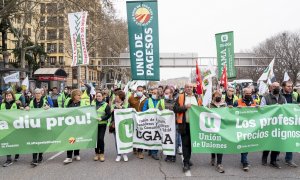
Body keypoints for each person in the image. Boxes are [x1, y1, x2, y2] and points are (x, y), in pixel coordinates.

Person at [173, 83, 202, 172]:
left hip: (195, 125)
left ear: (193, 88)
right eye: (187, 87)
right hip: (184, 124)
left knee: (191, 144)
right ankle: (185, 163)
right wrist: (185, 107)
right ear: (184, 88)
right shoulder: (180, 97)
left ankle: (187, 159)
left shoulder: (198, 97)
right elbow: (175, 109)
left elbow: (202, 109)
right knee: (185, 144)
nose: (189, 88)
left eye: (190, 87)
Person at [261, 82, 286, 169]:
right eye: (274, 86)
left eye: (277, 86)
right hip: (269, 123)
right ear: (270, 88)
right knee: (268, 141)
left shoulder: (283, 98)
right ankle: (264, 158)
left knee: (277, 143)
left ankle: (273, 161)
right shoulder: (265, 98)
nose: (276, 88)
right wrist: (273, 108)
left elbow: (286, 109)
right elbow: (262, 109)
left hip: (279, 124)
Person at [63, 89, 90, 164]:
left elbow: (87, 111)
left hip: (78, 124)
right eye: (78, 95)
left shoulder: (82, 103)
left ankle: (76, 154)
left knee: (77, 139)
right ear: (74, 96)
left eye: (80, 95)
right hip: (70, 125)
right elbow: (63, 111)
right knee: (70, 139)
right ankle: (69, 156)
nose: (80, 96)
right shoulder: (68, 102)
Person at [233, 87, 257, 171]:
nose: (249, 95)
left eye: (250, 93)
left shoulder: (254, 102)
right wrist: (236, 109)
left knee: (246, 144)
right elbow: (231, 113)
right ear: (243, 93)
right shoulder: (237, 102)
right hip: (241, 127)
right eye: (247, 94)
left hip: (250, 127)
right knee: (244, 144)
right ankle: (245, 162)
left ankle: (243, 160)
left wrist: (258, 108)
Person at [1, 90, 25, 167]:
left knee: (16, 141)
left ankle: (17, 152)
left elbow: (24, 110)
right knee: (7, 142)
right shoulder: (2, 105)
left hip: (15, 127)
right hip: (6, 127)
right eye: (7, 96)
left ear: (12, 96)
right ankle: (9, 159)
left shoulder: (17, 103)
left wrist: (22, 106)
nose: (8, 97)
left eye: (9, 96)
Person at [29, 88, 50, 166]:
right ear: (34, 94)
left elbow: (50, 109)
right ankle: (34, 158)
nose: (37, 95)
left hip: (42, 124)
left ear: (41, 94)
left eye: (39, 93)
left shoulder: (45, 101)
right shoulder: (31, 102)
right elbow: (28, 109)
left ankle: (40, 156)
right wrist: (26, 108)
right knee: (34, 141)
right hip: (33, 124)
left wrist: (48, 108)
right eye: (36, 93)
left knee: (40, 141)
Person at [142, 88, 165, 160]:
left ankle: (154, 152)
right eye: (152, 93)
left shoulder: (162, 101)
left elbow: (164, 110)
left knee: (157, 137)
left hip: (158, 122)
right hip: (150, 122)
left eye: (155, 93)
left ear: (158, 94)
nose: (153, 94)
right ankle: (150, 149)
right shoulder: (148, 100)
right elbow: (144, 110)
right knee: (150, 136)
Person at [280, 81, 298, 167]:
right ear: (283, 87)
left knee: (290, 138)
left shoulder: (294, 95)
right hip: (279, 120)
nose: (290, 88)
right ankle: (274, 156)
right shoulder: (279, 95)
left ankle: (288, 159)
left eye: (291, 86)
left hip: (291, 120)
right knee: (278, 138)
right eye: (288, 86)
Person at [128, 85, 147, 159]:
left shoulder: (145, 99)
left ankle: (140, 151)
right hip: (133, 118)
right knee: (133, 133)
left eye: (141, 90)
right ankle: (134, 147)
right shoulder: (131, 97)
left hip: (141, 119)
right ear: (136, 90)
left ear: (143, 91)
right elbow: (128, 106)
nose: (140, 92)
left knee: (140, 134)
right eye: (139, 90)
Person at [91, 92, 111, 162]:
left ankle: (102, 153)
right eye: (97, 96)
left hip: (102, 124)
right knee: (96, 140)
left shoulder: (106, 105)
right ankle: (97, 154)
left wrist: (102, 118)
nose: (98, 97)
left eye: (100, 96)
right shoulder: (92, 104)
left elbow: (109, 115)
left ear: (102, 97)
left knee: (100, 139)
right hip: (94, 124)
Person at [109, 90, 128, 162]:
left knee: (124, 139)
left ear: (121, 97)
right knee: (117, 140)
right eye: (115, 96)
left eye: (117, 96)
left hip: (123, 125)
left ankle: (125, 154)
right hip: (115, 125)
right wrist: (112, 110)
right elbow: (110, 114)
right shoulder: (113, 105)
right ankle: (119, 154)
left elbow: (127, 112)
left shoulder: (125, 104)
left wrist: (120, 108)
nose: (116, 98)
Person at [210, 91, 226, 173]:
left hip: (221, 128)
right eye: (216, 95)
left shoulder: (224, 105)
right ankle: (213, 156)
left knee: (220, 145)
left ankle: (219, 163)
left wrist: (230, 109)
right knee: (213, 144)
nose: (218, 96)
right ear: (213, 96)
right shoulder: (209, 105)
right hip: (212, 128)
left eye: (220, 95)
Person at [162, 87, 177, 163]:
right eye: (165, 93)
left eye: (168, 93)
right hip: (166, 124)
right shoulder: (162, 101)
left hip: (174, 124)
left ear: (171, 93)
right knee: (167, 140)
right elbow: (159, 111)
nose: (166, 95)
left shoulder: (175, 101)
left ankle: (173, 155)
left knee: (174, 140)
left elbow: (177, 110)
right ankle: (168, 155)